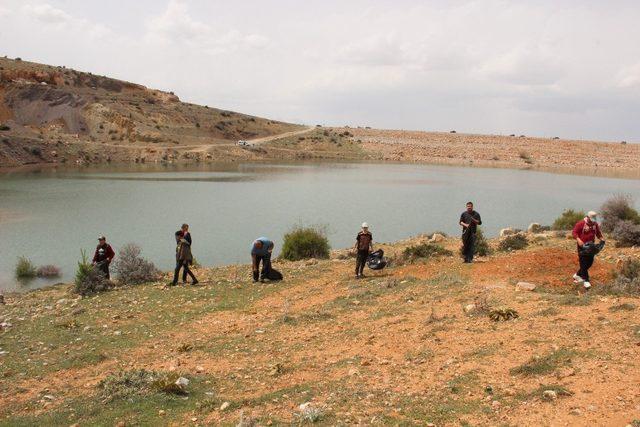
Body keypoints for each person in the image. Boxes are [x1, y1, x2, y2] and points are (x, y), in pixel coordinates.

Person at [572, 211, 604, 289]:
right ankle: (586, 281)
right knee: (583, 262)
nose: (592, 220)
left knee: (589, 263)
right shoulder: (581, 224)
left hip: (591, 247)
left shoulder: (595, 224)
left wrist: (602, 239)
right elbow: (574, 233)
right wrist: (578, 239)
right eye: (591, 219)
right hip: (582, 246)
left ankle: (577, 275)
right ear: (587, 217)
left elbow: (598, 234)